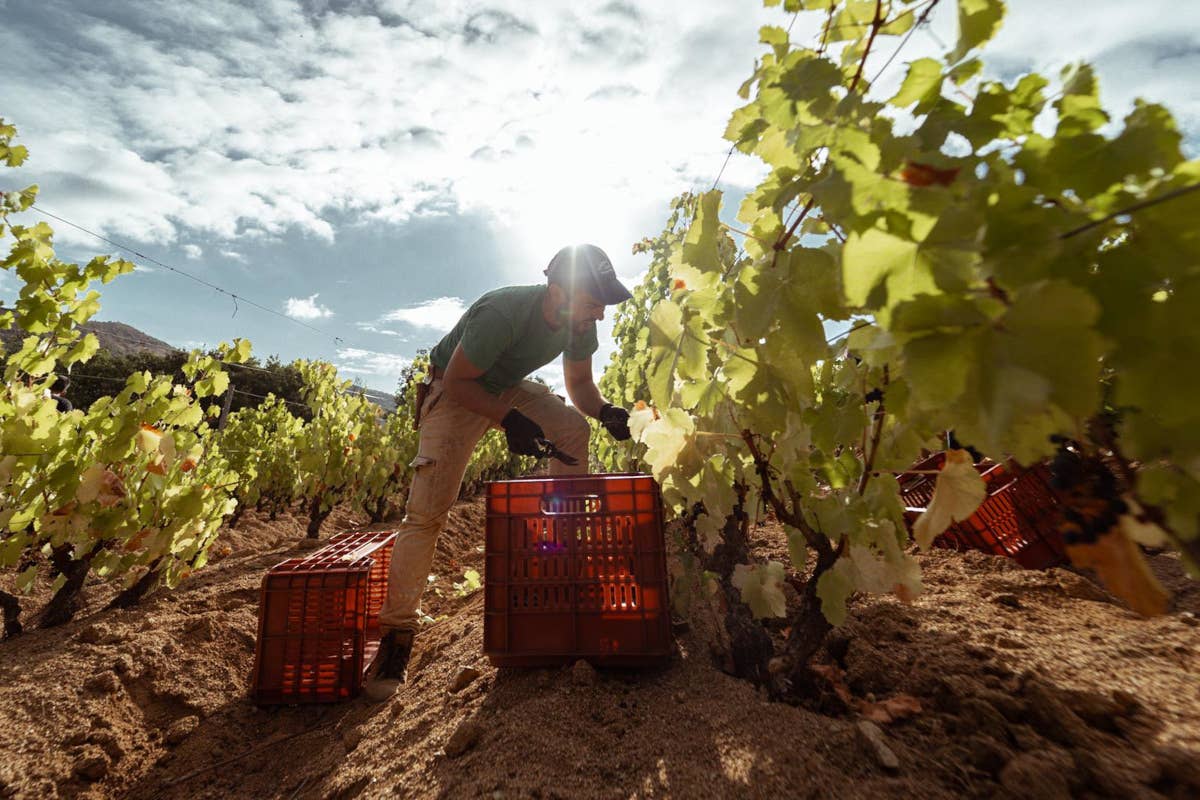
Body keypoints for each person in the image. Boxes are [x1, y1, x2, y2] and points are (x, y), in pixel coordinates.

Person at [364, 243, 635, 700]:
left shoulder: (580, 322)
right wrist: (508, 419)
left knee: (572, 430)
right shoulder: (503, 312)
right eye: (594, 304)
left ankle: (562, 567)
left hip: (505, 385)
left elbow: (581, 386)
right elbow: (457, 381)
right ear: (557, 292)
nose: (600, 316)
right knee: (428, 513)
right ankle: (396, 636)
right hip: (454, 390)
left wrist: (604, 409)